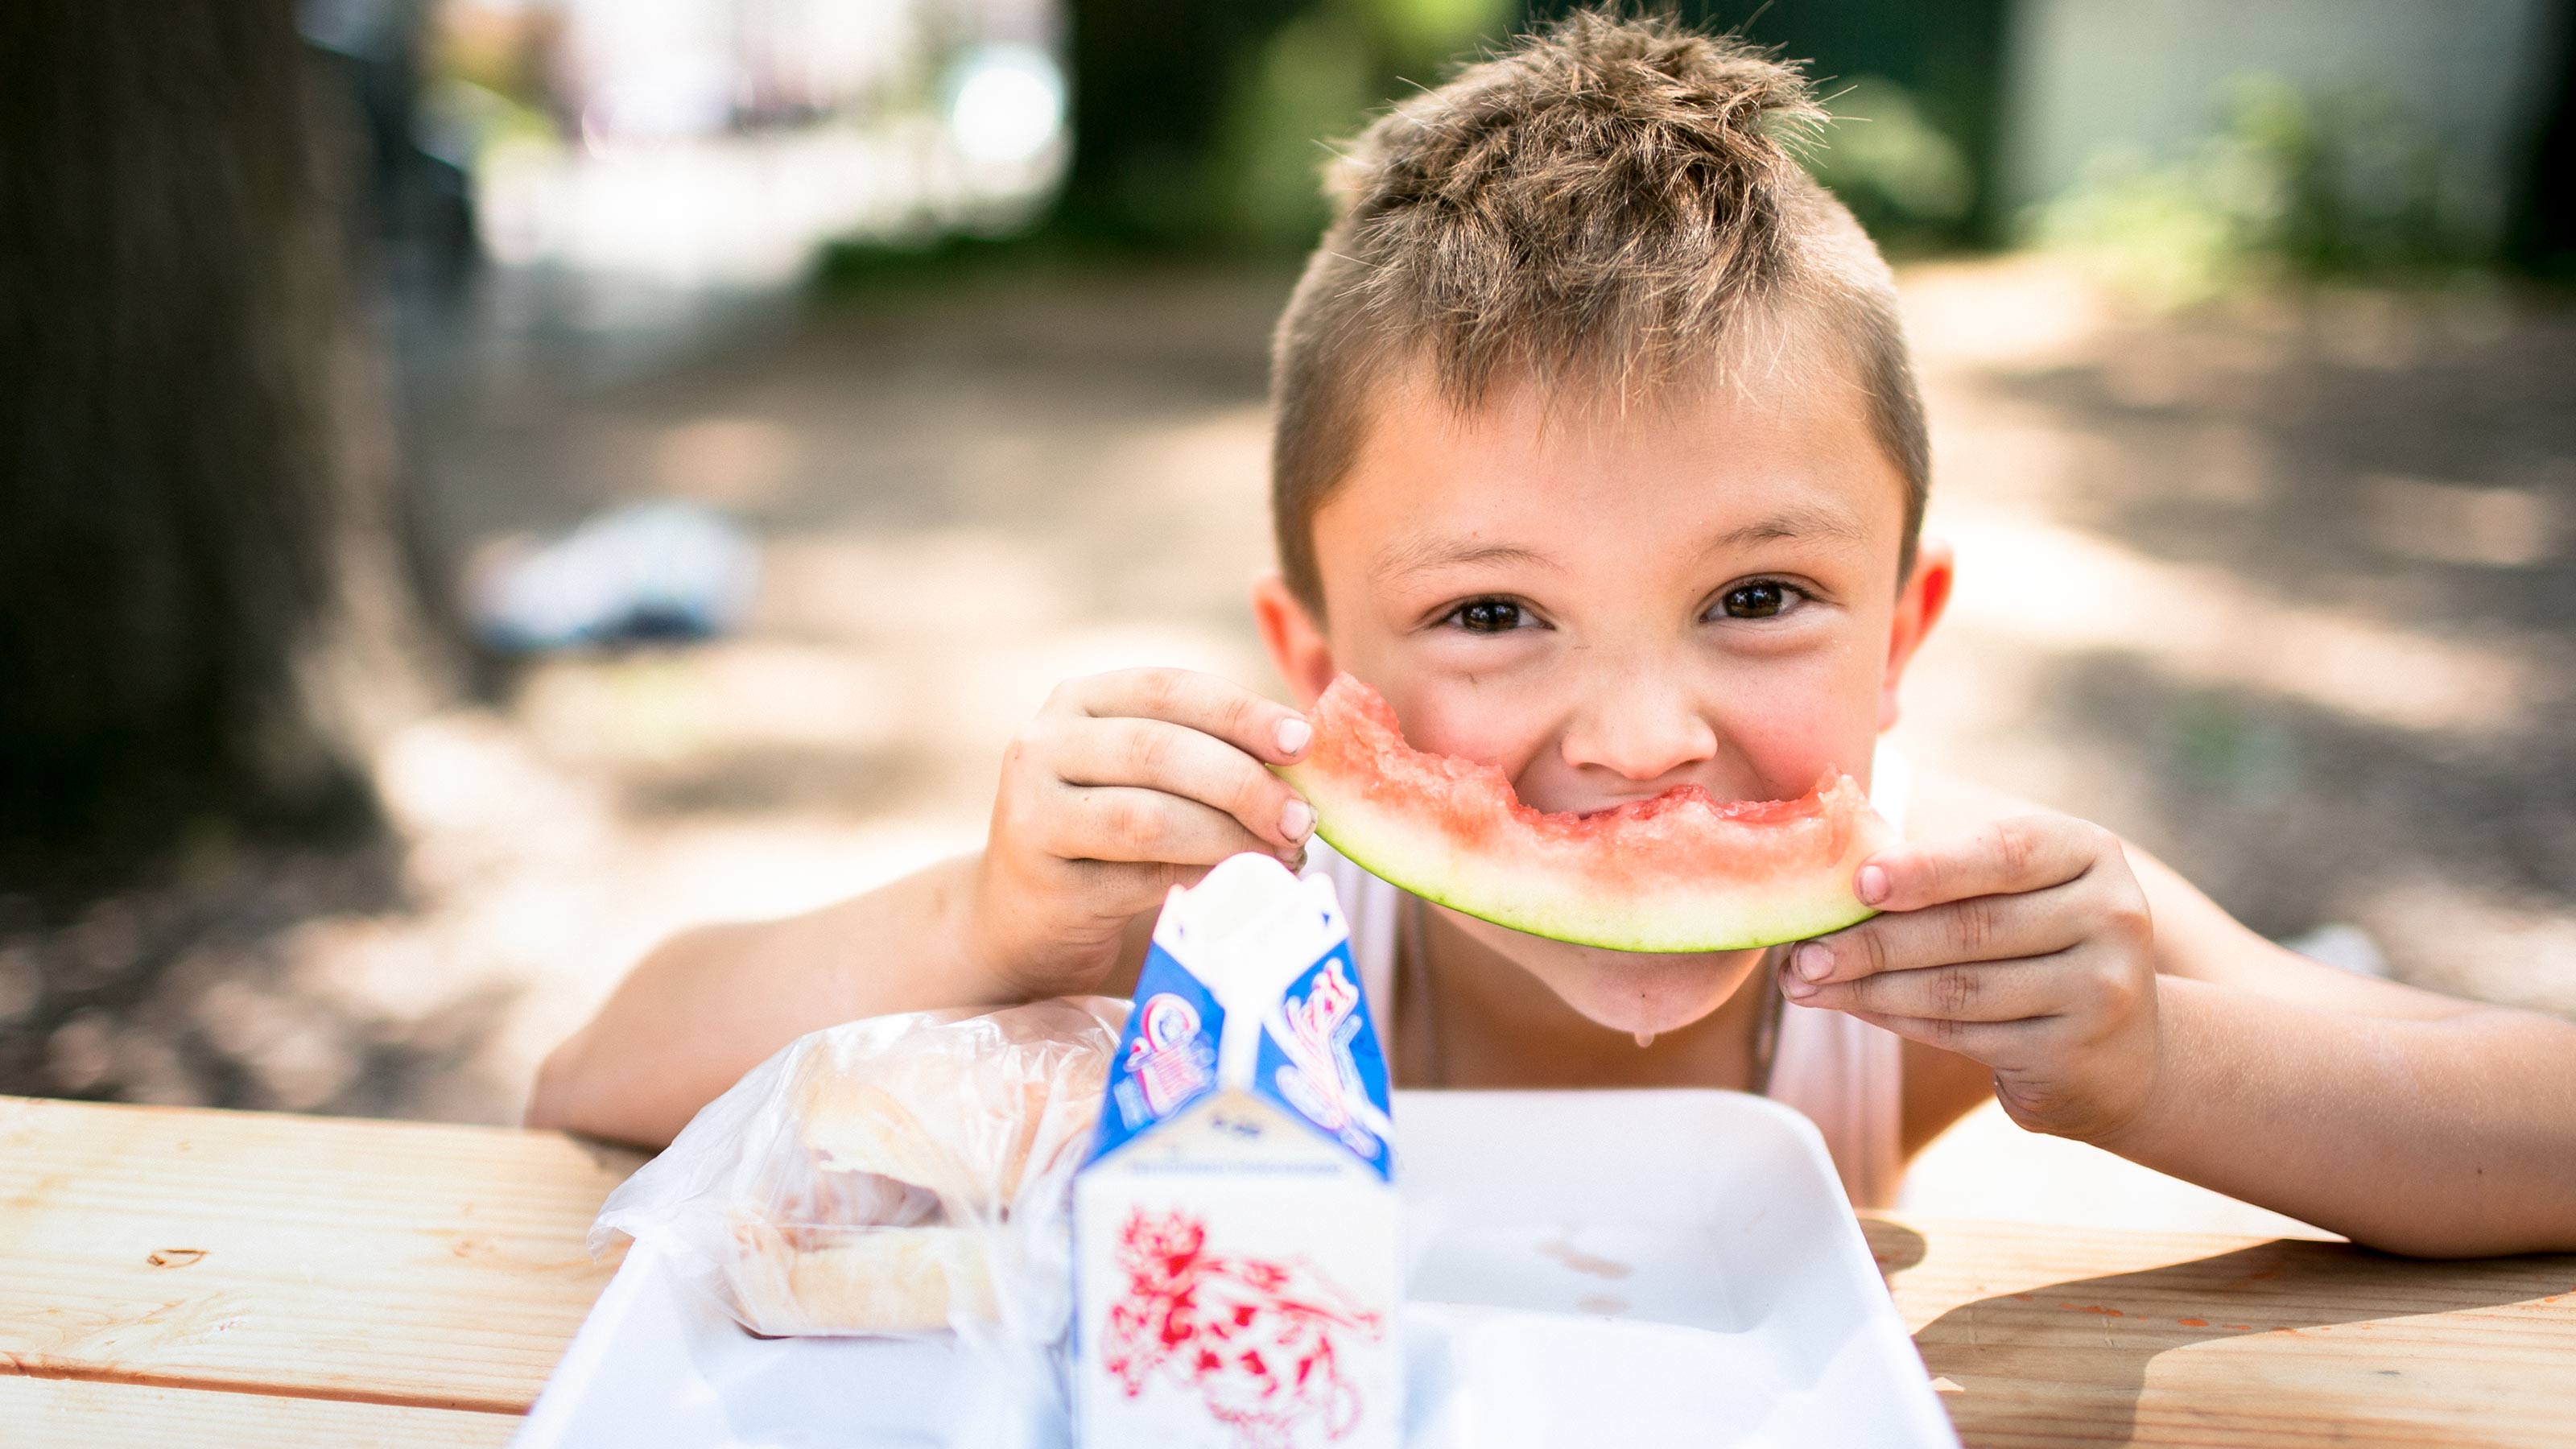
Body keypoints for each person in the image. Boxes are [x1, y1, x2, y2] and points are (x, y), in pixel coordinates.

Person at [528, 11, 2576, 1256]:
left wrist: (2155, 1069)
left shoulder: (1938, 947)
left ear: (1901, 633)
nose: (1640, 740)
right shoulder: (1244, 933)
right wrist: (985, 924)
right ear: (1313, 665)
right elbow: (598, 1080)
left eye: (1756, 600)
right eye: (1492, 613)